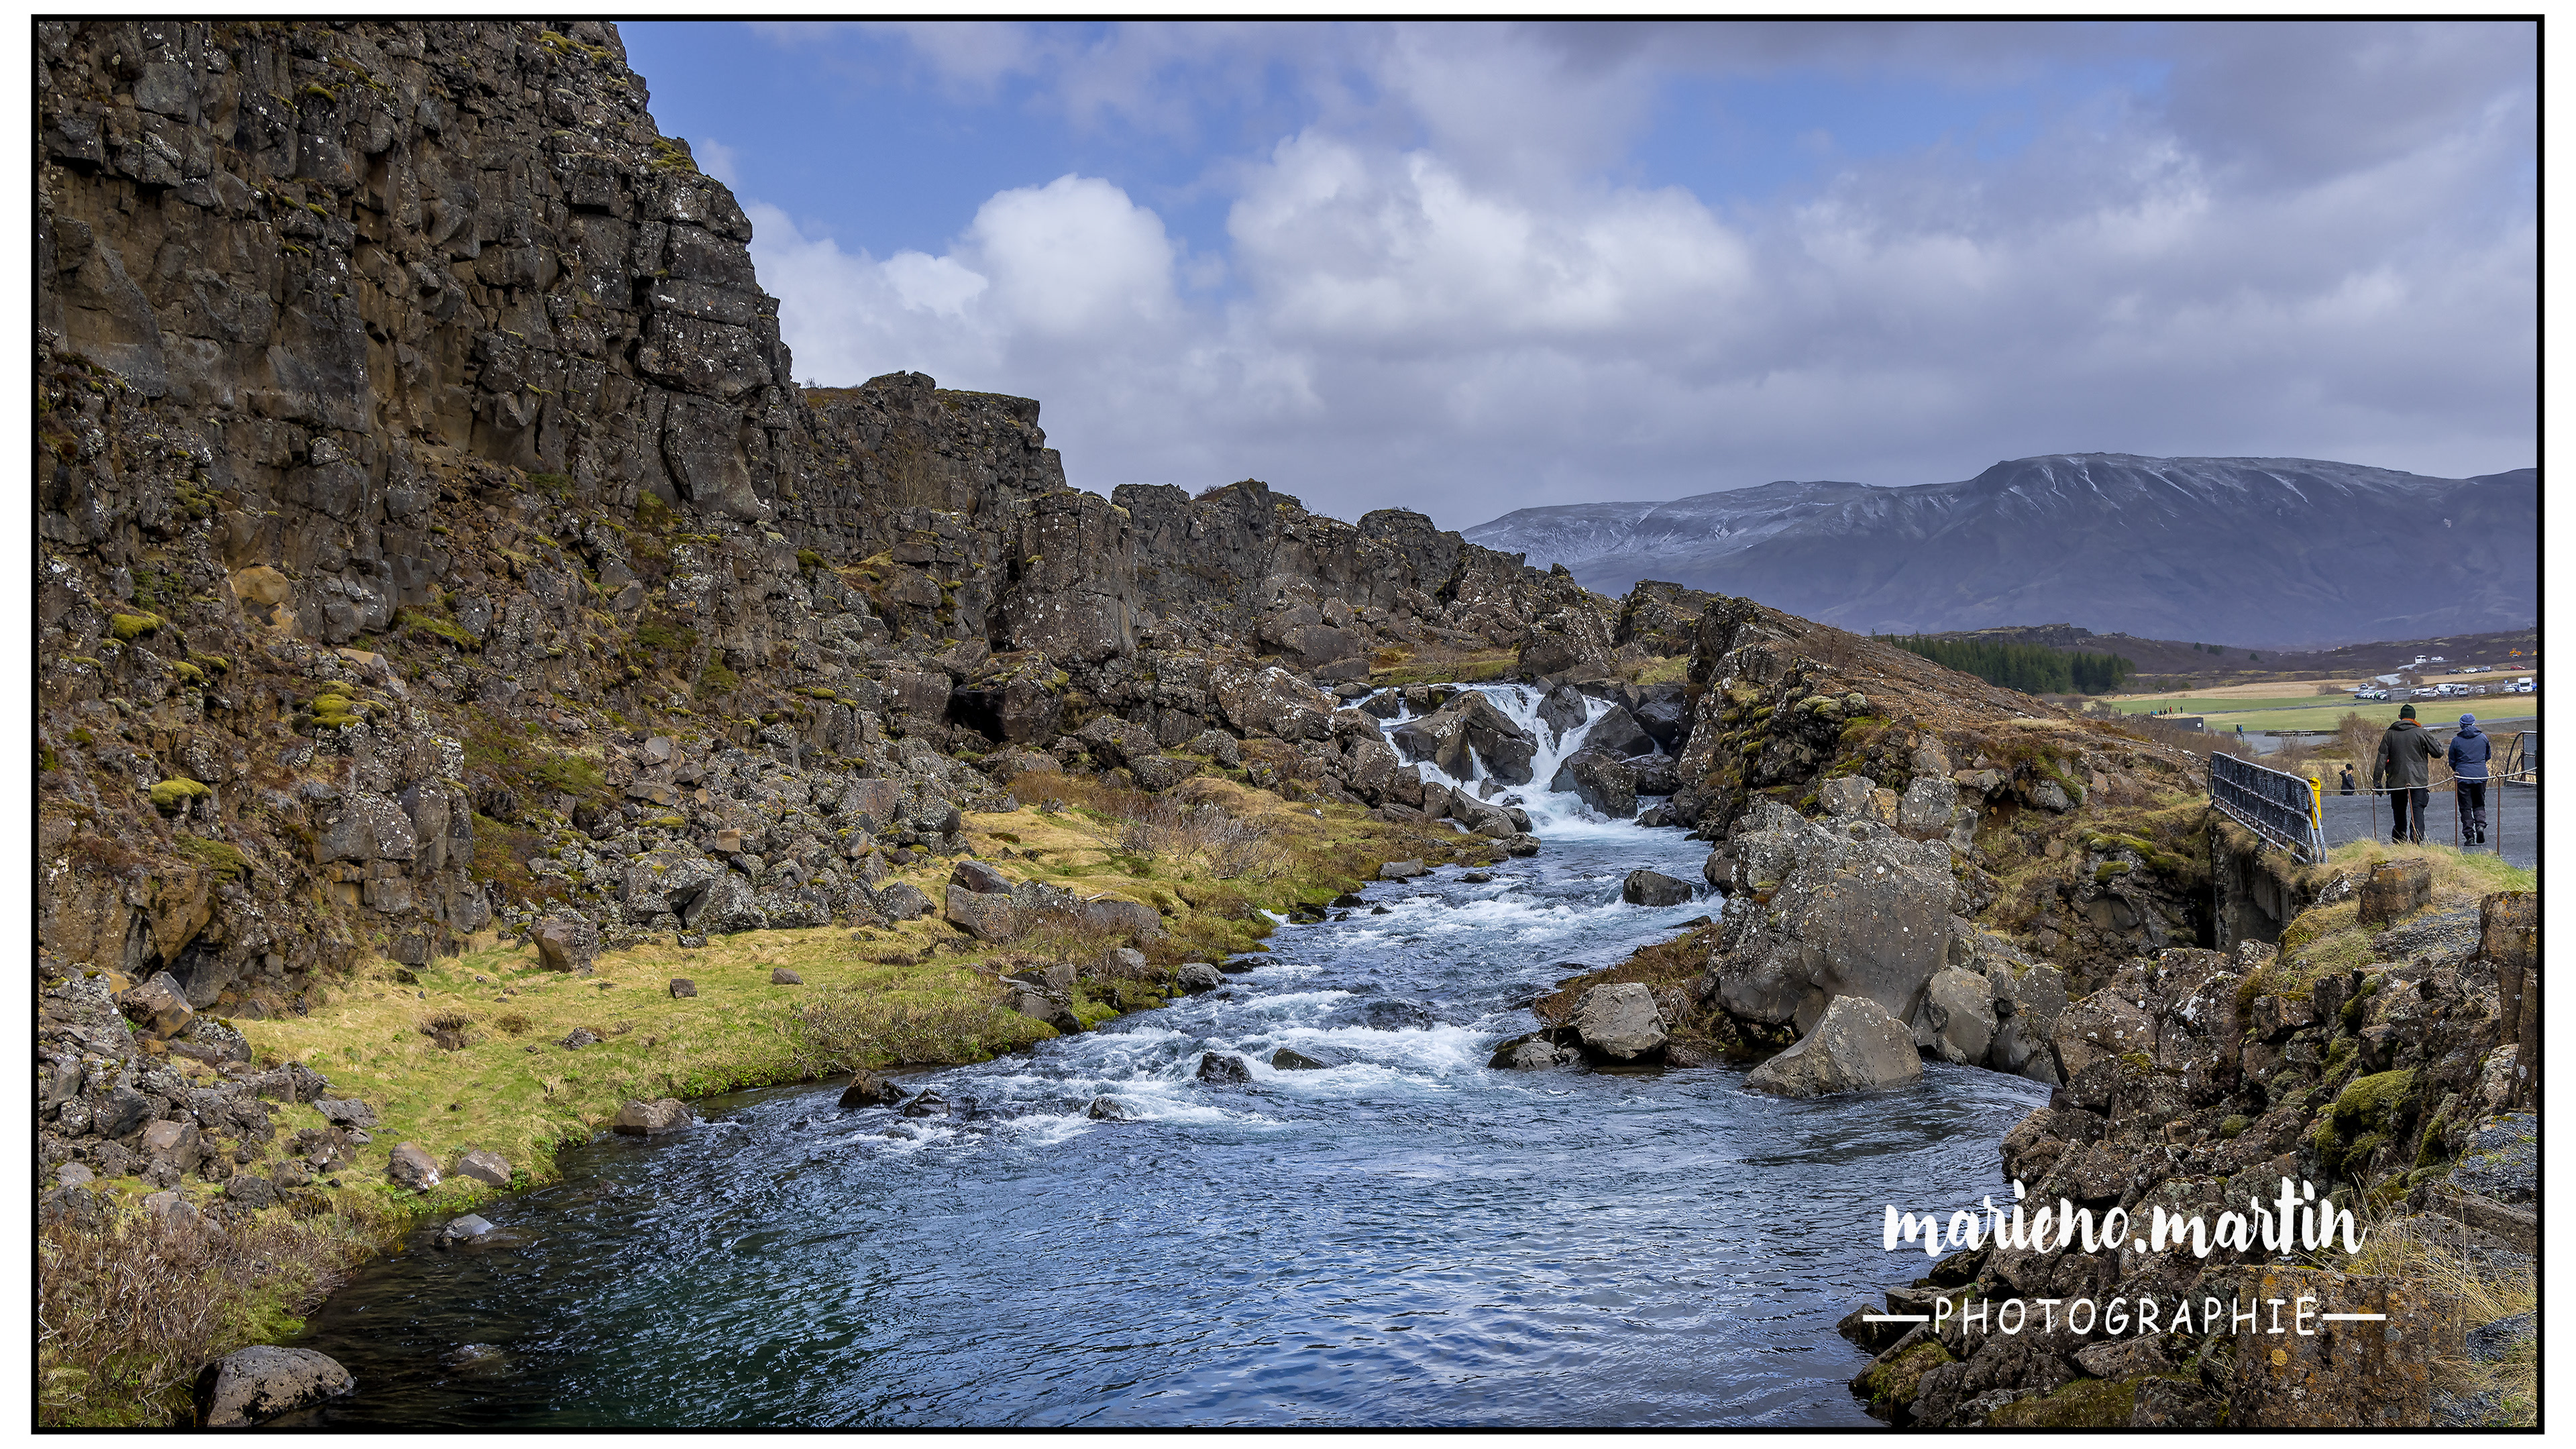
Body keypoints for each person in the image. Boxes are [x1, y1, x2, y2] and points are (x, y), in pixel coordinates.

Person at [2374, 704, 2442, 844]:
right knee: (2417, 810)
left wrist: (2377, 782)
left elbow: (2381, 758)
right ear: (2414, 718)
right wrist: (2434, 742)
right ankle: (2416, 840)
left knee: (2398, 811)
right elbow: (2438, 753)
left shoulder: (2390, 734)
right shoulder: (2421, 733)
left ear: (2400, 717)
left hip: (2396, 779)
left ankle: (2399, 840)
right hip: (2418, 780)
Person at [2448, 713, 2491, 845]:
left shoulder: (2456, 741)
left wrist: (2458, 769)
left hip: (2463, 776)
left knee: (2465, 807)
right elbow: (2488, 756)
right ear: (2474, 724)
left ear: (2461, 725)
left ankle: (2469, 836)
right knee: (2479, 803)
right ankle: (2480, 825)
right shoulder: (2483, 738)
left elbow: (2452, 760)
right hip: (2480, 775)